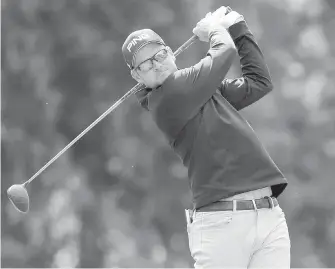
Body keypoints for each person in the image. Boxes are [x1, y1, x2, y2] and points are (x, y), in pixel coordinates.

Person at [122, 6, 290, 268]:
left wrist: (238, 26)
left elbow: (259, 82)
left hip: (269, 216)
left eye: (160, 54)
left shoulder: (200, 90)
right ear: (136, 75)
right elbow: (224, 53)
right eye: (146, 64)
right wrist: (214, 29)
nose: (157, 64)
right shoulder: (166, 98)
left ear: (171, 52)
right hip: (221, 226)